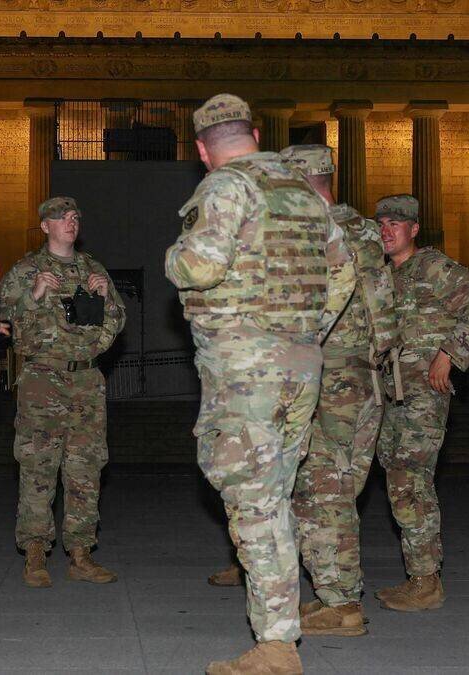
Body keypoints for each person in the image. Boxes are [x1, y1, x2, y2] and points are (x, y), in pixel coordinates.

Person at [165, 94, 355, 675]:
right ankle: (281, 629)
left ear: (203, 149)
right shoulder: (303, 192)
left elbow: (200, 266)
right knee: (276, 493)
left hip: (247, 366)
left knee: (255, 498)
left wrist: (174, 256)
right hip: (301, 365)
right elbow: (343, 275)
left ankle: (276, 646)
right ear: (252, 131)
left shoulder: (226, 187)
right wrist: (305, 335)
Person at [280, 144, 399, 637]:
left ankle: (342, 603)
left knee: (322, 488)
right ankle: (336, 590)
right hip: (367, 377)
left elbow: (304, 310)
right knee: (343, 488)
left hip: (328, 376)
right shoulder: (367, 230)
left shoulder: (315, 230)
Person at [0, 196, 126, 588]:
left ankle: (81, 552)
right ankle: (35, 552)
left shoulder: (92, 270)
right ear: (45, 227)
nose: (70, 223)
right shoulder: (25, 270)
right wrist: (32, 297)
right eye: (61, 218)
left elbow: (116, 323)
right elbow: (3, 323)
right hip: (42, 379)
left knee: (86, 467)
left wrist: (105, 302)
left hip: (86, 380)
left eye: (74, 217)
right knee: (38, 466)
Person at [374, 194, 469, 613]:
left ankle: (426, 582)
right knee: (400, 481)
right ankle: (420, 577)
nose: (387, 230)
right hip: (392, 397)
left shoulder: (434, 268)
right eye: (382, 223)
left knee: (411, 481)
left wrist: (450, 354)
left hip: (423, 397)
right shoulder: (386, 277)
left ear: (414, 229)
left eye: (396, 223)